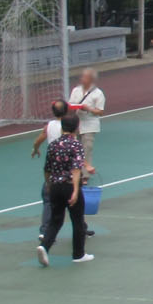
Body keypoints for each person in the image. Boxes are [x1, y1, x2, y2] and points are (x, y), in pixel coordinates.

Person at [37, 112, 93, 266]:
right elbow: (76, 170)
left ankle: (44, 246)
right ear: (77, 127)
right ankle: (78, 253)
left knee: (56, 220)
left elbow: (47, 168)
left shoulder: (53, 145)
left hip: (54, 186)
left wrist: (48, 185)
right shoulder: (76, 145)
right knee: (77, 220)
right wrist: (75, 190)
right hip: (69, 186)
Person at [31, 100, 69, 239]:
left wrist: (35, 150)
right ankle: (81, 226)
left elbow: (37, 141)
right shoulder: (67, 126)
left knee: (48, 198)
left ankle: (44, 230)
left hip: (52, 164)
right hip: (65, 165)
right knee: (73, 197)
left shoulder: (49, 126)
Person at [68, 68, 105, 158]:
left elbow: (100, 111)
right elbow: (70, 104)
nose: (82, 79)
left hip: (89, 126)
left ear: (91, 79)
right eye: (82, 77)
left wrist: (88, 109)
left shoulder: (98, 93)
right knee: (74, 151)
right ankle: (76, 171)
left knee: (86, 151)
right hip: (76, 125)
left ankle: (85, 171)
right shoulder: (76, 90)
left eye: (85, 77)